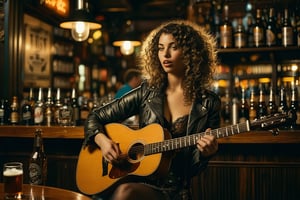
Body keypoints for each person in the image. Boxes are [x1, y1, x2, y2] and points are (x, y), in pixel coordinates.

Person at [83, 20, 220, 200]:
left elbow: (191, 169)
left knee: (126, 193)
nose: (166, 54)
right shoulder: (147, 92)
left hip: (173, 189)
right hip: (133, 176)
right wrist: (103, 142)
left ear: (190, 53)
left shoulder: (208, 103)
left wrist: (205, 154)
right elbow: (95, 117)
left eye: (174, 47)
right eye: (161, 48)